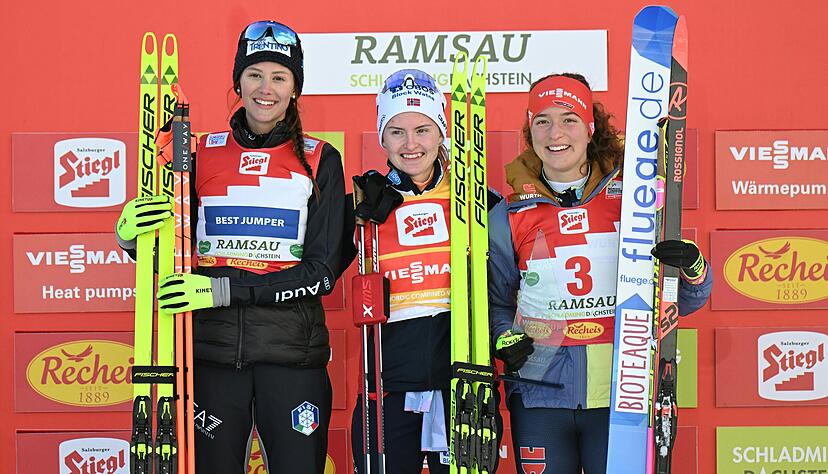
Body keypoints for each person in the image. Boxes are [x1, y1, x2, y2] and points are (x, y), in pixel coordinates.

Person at [115, 20, 345, 474]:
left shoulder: (320, 159)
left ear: (295, 88)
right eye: (255, 73)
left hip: (292, 359)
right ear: (237, 80)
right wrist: (131, 238)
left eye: (280, 77)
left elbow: (321, 272)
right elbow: (173, 253)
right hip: (211, 355)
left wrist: (225, 289)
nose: (266, 88)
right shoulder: (199, 153)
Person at [487, 73, 712, 474]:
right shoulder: (509, 214)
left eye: (569, 118)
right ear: (530, 131)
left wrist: (693, 270)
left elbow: (680, 300)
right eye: (542, 120)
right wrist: (503, 334)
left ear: (590, 129)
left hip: (621, 392)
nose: (555, 132)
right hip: (540, 394)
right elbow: (495, 303)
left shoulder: (633, 201)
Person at [346, 69, 501, 473]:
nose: (410, 144)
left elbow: (509, 289)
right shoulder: (364, 204)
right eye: (396, 131)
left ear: (442, 133)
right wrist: (348, 220)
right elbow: (316, 271)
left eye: (422, 129)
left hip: (464, 380)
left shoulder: (481, 203)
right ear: (382, 137)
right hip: (388, 382)